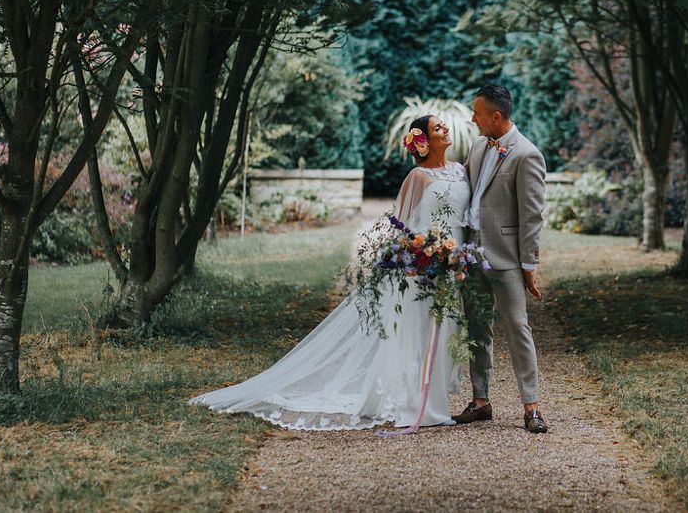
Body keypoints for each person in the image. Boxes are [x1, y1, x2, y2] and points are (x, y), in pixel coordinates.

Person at [189, 115, 471, 430]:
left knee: (444, 330)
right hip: (419, 269)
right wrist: (413, 259)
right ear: (423, 141)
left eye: (444, 125)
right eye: (437, 128)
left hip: (452, 264)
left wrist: (459, 257)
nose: (445, 129)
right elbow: (401, 226)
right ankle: (422, 408)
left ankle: (432, 401)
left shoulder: (461, 171)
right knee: (417, 335)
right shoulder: (417, 177)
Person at [454, 85, 548, 433]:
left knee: (517, 329)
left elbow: (532, 215)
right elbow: (464, 189)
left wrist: (529, 264)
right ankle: (481, 402)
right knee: (477, 329)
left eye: (477, 113)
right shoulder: (479, 146)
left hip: (507, 259)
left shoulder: (527, 154)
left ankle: (532, 407)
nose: (472, 119)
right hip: (472, 255)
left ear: (496, 116)